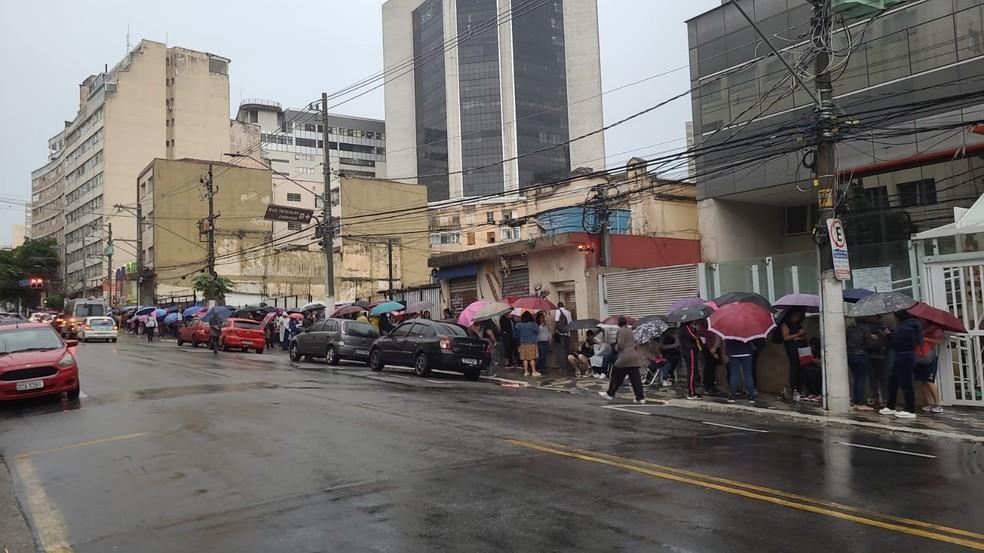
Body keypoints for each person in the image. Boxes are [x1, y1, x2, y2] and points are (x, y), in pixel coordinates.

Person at [880, 311, 922, 419]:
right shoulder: (906, 326)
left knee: (906, 383)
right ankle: (891, 406)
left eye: (895, 317)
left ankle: (910, 409)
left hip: (905, 357)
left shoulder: (907, 328)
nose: (894, 319)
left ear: (899, 317)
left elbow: (897, 343)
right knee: (892, 381)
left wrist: (889, 335)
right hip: (902, 356)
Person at [599, 318, 647, 403]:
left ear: (618, 323)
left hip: (625, 356)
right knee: (635, 378)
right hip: (634, 356)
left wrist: (616, 347)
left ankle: (610, 393)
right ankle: (640, 397)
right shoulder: (630, 330)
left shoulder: (621, 330)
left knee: (616, 375)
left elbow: (620, 344)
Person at [846, 318, 876, 411]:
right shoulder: (866, 329)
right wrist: (873, 338)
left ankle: (856, 401)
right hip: (861, 354)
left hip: (850, 354)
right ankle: (860, 402)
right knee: (861, 379)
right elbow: (869, 344)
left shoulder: (850, 328)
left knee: (856, 379)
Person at [915, 322, 944, 414]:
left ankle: (937, 404)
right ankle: (929, 403)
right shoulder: (919, 329)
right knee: (921, 381)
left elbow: (939, 341)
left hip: (929, 357)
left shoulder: (936, 330)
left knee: (929, 381)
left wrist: (925, 338)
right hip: (918, 357)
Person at [780, 309, 809, 402]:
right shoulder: (785, 324)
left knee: (802, 367)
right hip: (792, 349)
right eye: (795, 316)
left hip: (802, 348)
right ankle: (795, 388)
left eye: (799, 316)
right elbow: (785, 337)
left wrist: (803, 334)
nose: (797, 318)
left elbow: (804, 336)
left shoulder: (798, 325)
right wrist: (796, 335)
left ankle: (800, 388)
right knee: (794, 367)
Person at [725, 339, 757, 404]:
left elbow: (727, 343)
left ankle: (732, 396)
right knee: (748, 375)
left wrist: (727, 352)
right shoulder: (747, 329)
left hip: (734, 353)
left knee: (734, 375)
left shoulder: (730, 330)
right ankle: (751, 397)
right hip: (747, 352)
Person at [679, 320, 704, 400]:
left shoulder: (687, 328)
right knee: (692, 371)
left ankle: (693, 391)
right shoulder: (686, 328)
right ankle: (691, 393)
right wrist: (696, 330)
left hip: (691, 350)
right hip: (690, 350)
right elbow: (694, 337)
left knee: (693, 370)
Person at [514, 311, 541, 377]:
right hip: (531, 343)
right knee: (532, 358)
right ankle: (533, 371)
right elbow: (537, 331)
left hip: (523, 343)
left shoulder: (519, 325)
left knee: (525, 358)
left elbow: (517, 334)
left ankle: (526, 372)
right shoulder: (533, 324)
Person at [700, 322, 724, 395]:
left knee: (712, 367)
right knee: (709, 367)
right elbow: (706, 340)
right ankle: (708, 386)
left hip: (713, 348)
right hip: (709, 349)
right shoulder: (704, 326)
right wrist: (713, 351)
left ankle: (711, 385)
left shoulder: (713, 325)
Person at [553, 302, 572, 366]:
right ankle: (568, 364)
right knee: (567, 350)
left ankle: (563, 366)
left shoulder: (558, 311)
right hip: (568, 334)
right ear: (564, 305)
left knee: (561, 351)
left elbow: (556, 321)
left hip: (560, 334)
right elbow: (570, 323)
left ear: (558, 306)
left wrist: (555, 330)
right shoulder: (568, 312)